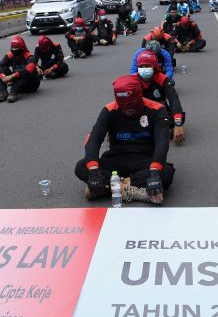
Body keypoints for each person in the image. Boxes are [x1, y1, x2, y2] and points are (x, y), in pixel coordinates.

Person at [74, 75, 175, 204]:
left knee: (166, 173)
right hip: (117, 158)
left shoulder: (157, 110)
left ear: (139, 96)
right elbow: (94, 139)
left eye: (131, 106)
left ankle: (110, 187)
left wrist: (154, 172)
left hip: (145, 159)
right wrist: (93, 171)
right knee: (81, 167)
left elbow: (162, 143)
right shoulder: (109, 110)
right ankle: (132, 190)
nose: (128, 111)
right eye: (124, 107)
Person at [134, 51, 186, 145]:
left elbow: (174, 100)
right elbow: (121, 103)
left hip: (159, 112)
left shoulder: (162, 79)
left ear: (154, 66)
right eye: (141, 67)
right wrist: (114, 125)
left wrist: (178, 124)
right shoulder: (132, 80)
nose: (144, 69)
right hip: (139, 112)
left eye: (147, 66)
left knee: (178, 115)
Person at [0, 36, 40, 103]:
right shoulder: (10, 55)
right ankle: (2, 92)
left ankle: (13, 92)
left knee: (23, 72)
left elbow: (28, 71)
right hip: (17, 81)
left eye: (16, 47)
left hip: (31, 84)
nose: (14, 49)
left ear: (22, 47)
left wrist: (11, 76)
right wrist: (4, 77)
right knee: (2, 68)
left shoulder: (29, 57)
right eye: (13, 47)